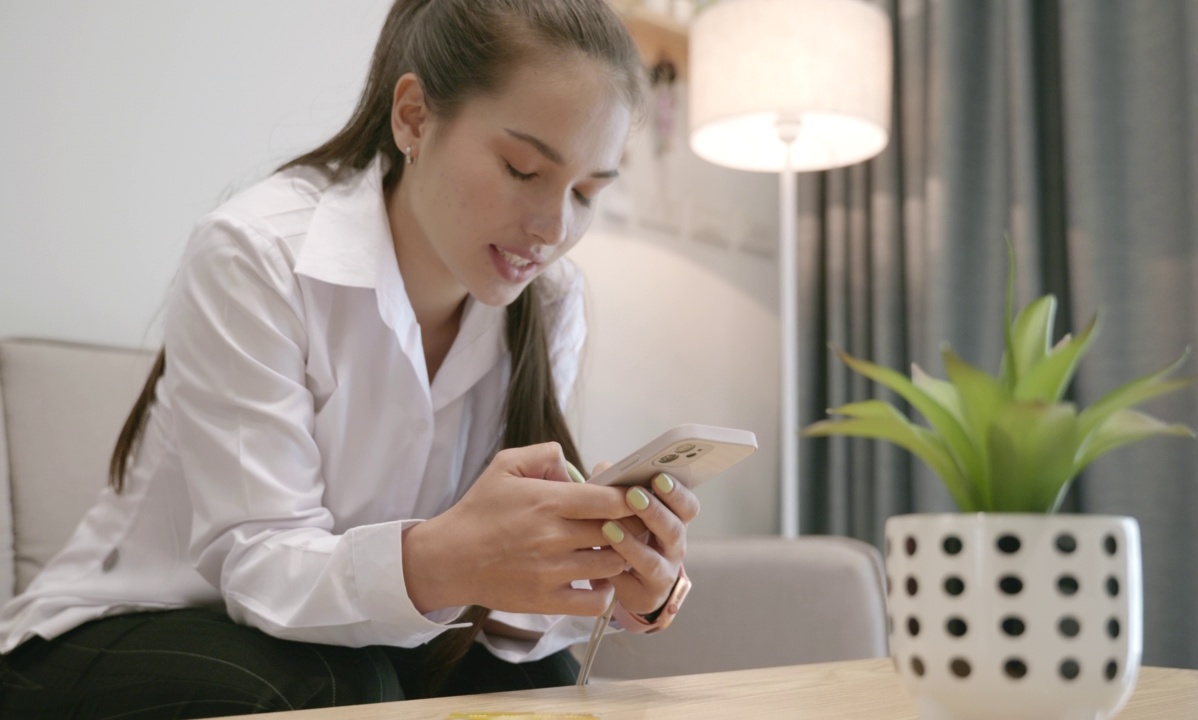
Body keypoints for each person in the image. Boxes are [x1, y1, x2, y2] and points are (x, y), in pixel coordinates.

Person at [0, 0, 699, 715]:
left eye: (586, 193)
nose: (553, 228)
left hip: (355, 650)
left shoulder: (550, 302)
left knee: (539, 685)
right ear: (415, 118)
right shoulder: (258, 253)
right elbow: (260, 567)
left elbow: (495, 625)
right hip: (110, 636)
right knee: (337, 688)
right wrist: (443, 560)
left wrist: (608, 575)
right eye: (523, 170)